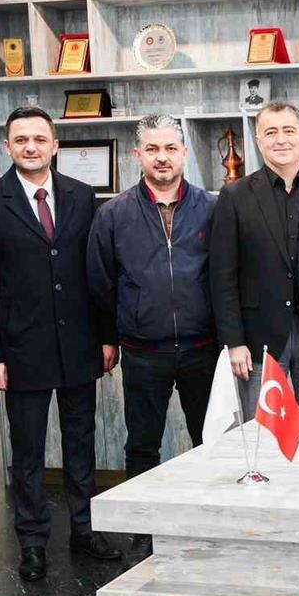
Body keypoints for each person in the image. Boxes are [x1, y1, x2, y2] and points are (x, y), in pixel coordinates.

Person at [0, 106, 122, 581]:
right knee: (28, 451)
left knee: (81, 443)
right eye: (20, 139)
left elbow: (97, 273)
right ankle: (33, 541)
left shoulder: (81, 194)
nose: (30, 147)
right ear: (7, 146)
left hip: (79, 344)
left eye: (39, 138)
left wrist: (107, 336)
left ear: (55, 145)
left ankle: (85, 530)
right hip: (20, 351)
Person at [87, 114, 215, 556]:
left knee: (210, 440)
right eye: (153, 149)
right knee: (142, 444)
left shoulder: (212, 208)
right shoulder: (113, 214)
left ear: (184, 153)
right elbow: (100, 283)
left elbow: (226, 276)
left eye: (171, 148)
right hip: (143, 351)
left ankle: (208, 521)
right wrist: (108, 338)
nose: (163, 158)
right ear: (137, 154)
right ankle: (144, 529)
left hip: (203, 348)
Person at [210, 102, 299, 418]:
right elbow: (222, 275)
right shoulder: (234, 196)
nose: (281, 139)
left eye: (289, 130)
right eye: (271, 132)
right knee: (261, 432)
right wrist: (233, 341)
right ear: (259, 141)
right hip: (258, 340)